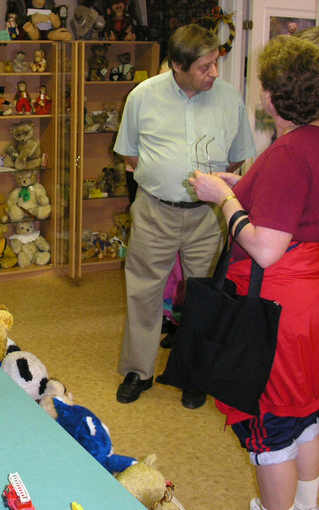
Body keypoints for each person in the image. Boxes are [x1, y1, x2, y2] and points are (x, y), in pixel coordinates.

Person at [188, 35, 319, 510]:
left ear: (270, 95)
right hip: (309, 305)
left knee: (272, 426)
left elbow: (265, 248)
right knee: (306, 415)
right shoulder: (311, 143)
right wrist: (241, 186)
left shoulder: (289, 152)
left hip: (278, 312)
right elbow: (296, 206)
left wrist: (223, 198)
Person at [114, 24, 256, 408]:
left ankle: (196, 374)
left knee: (204, 297)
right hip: (154, 210)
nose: (214, 73)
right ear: (178, 65)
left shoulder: (230, 98)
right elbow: (130, 153)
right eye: (205, 67)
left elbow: (237, 156)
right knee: (143, 292)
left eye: (215, 64)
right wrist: (162, 176)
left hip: (208, 216)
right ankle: (138, 371)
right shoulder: (142, 96)